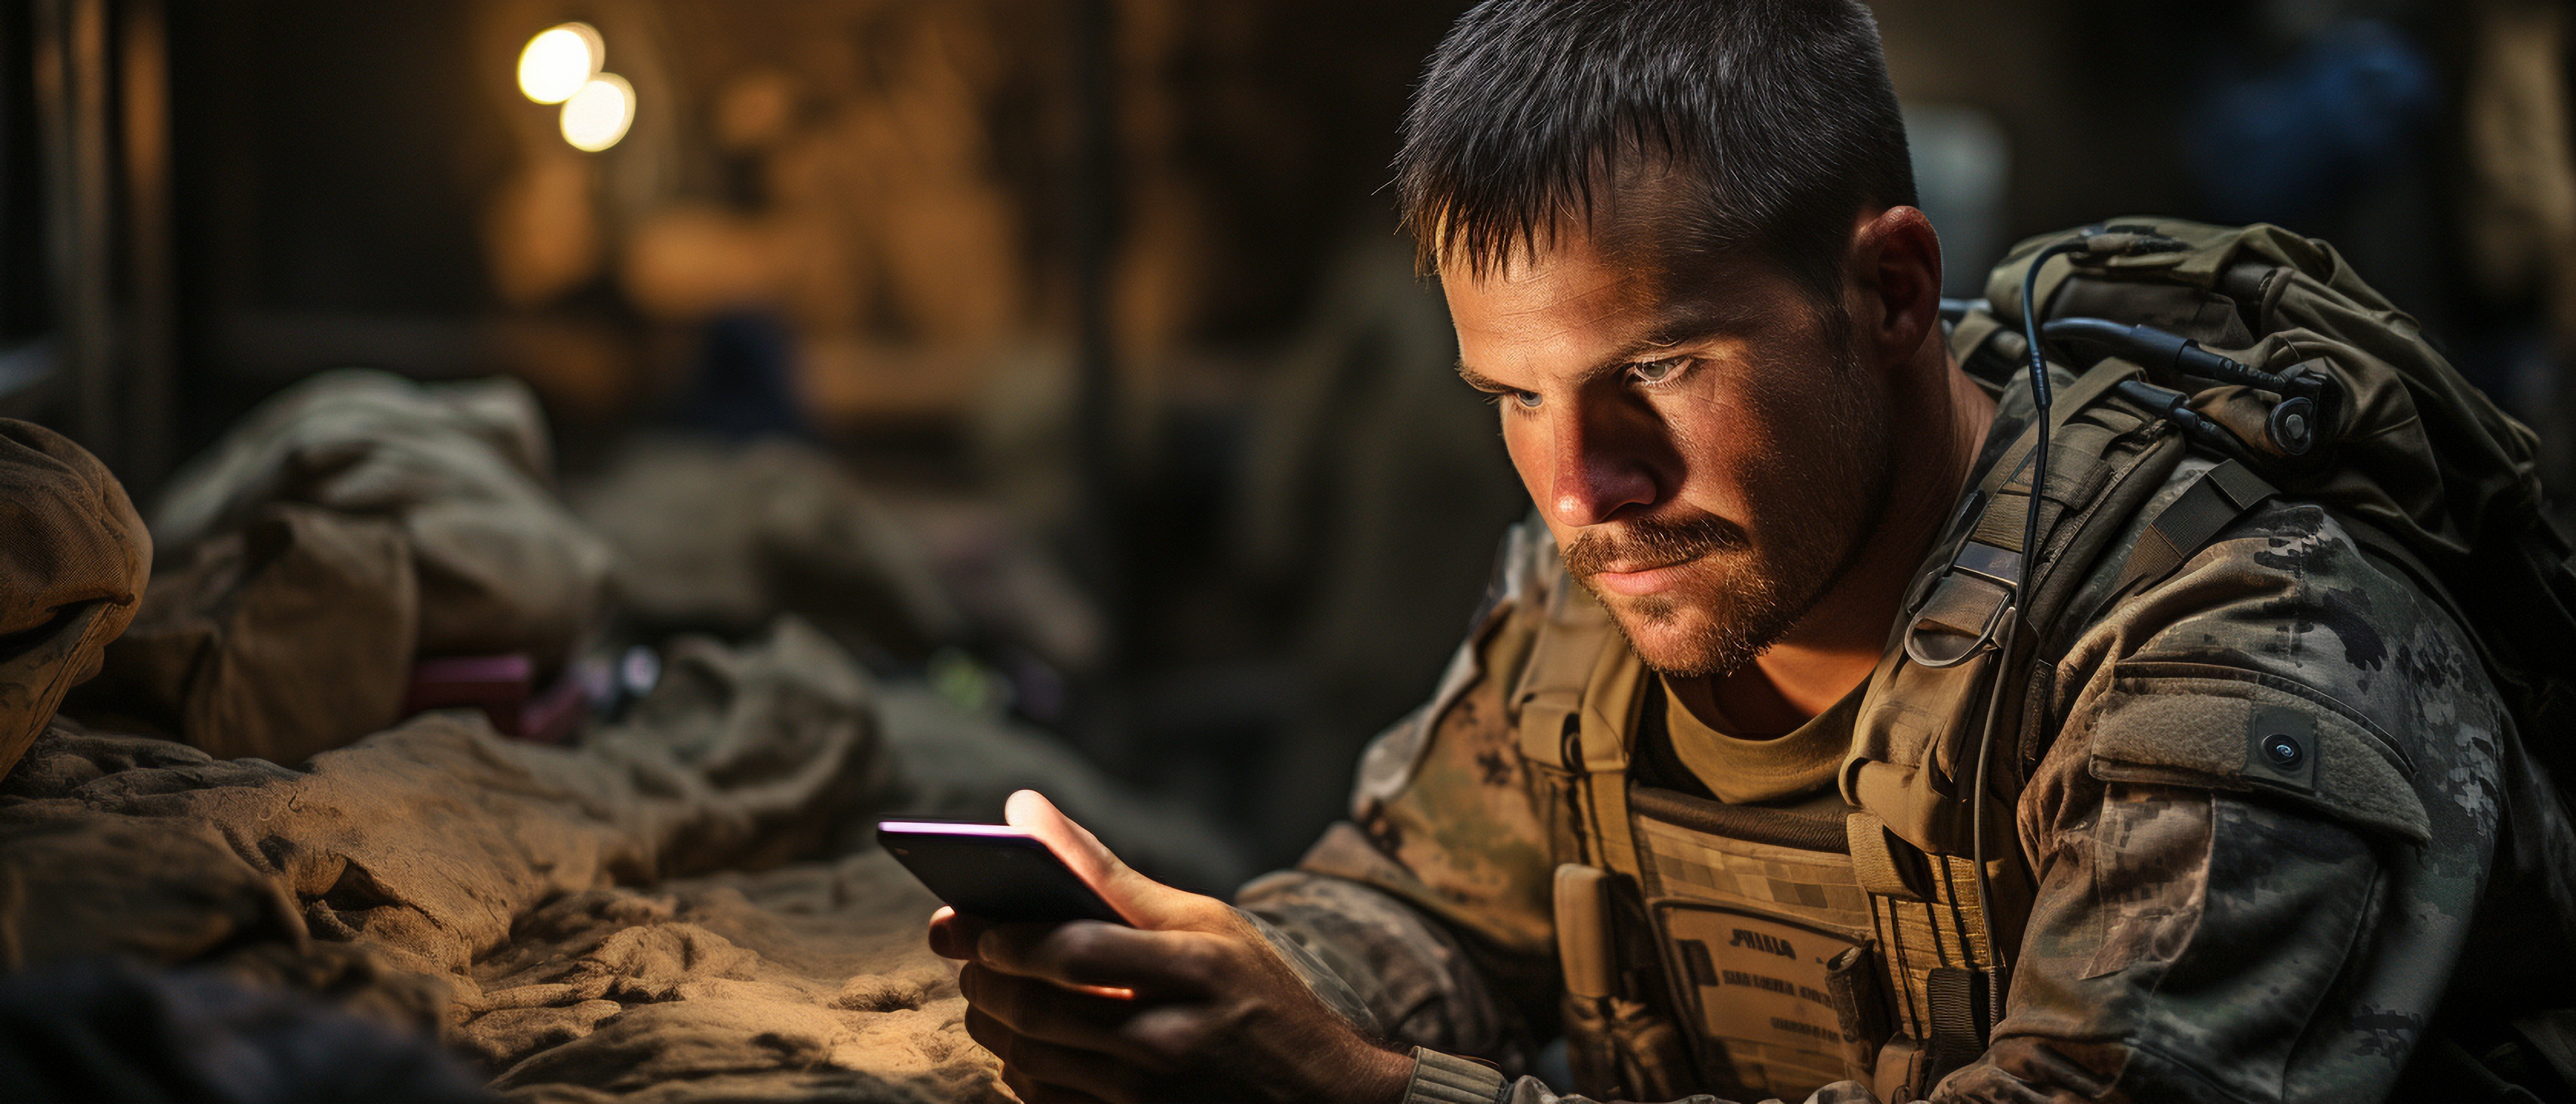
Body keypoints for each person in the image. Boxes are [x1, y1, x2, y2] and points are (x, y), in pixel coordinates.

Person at [927, 1, 2559, 1100]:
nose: (1583, 484)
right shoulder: (1611, 580)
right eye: (1517, 395)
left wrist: (1360, 1088)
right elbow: (1428, 903)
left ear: (1896, 292)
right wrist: (1211, 978)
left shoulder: (2235, 636)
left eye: (1661, 371)